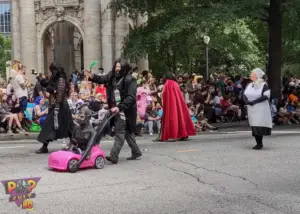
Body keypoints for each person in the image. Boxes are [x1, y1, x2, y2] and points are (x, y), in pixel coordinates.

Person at [86, 58, 142, 164]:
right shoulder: (111, 76)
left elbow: (131, 97)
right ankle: (136, 151)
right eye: (116, 66)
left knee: (120, 132)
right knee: (127, 132)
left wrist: (120, 107)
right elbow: (102, 79)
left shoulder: (130, 80)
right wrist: (93, 76)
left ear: (124, 68)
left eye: (119, 67)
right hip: (114, 108)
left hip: (125, 110)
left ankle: (114, 155)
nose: (117, 69)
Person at [35, 63, 73, 154]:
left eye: (52, 70)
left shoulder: (61, 80)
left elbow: (59, 95)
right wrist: (37, 75)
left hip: (60, 106)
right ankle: (45, 146)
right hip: (57, 106)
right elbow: (46, 84)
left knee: (67, 127)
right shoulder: (55, 79)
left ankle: (75, 143)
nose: (51, 72)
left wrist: (56, 108)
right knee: (52, 126)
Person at [154, 72, 196, 141]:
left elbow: (164, 94)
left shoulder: (168, 83)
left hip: (171, 104)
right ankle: (183, 134)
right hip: (178, 104)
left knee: (171, 118)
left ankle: (170, 135)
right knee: (180, 118)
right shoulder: (175, 83)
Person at [243, 68, 272, 150]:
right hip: (252, 108)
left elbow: (266, 96)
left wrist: (254, 102)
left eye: (252, 74)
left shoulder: (263, 84)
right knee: (254, 125)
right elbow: (244, 94)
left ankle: (260, 143)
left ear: (257, 75)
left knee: (258, 125)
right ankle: (258, 142)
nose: (250, 75)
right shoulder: (249, 85)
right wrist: (247, 101)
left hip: (260, 108)